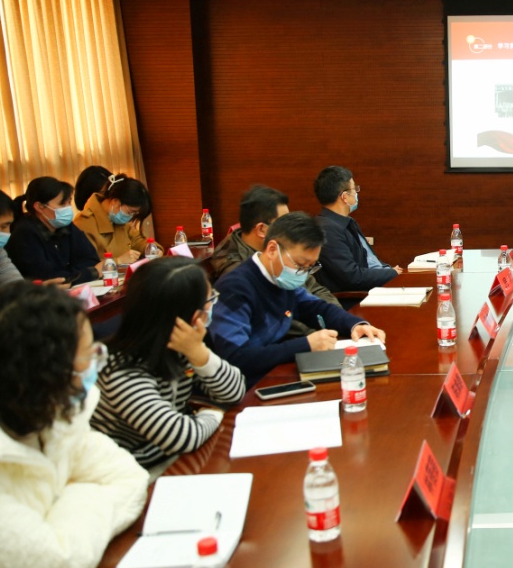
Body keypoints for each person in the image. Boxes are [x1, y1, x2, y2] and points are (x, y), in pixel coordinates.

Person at [0, 282, 148, 568]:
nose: (97, 363)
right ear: (45, 371)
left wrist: (56, 519)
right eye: (88, 356)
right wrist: (84, 493)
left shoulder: (47, 412)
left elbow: (128, 478)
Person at [91, 258, 246, 470]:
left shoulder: (181, 344)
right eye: (210, 298)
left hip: (170, 456)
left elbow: (235, 391)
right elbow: (183, 438)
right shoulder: (121, 371)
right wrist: (213, 415)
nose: (212, 305)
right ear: (191, 315)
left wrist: (200, 354)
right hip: (130, 471)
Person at [208, 212, 387, 384]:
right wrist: (306, 345)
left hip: (279, 371)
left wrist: (355, 325)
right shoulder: (235, 288)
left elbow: (316, 308)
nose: (303, 273)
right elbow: (236, 358)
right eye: (300, 265)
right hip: (249, 385)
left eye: (310, 266)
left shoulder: (279, 278)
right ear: (272, 249)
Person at [211, 184, 337, 334]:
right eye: (283, 223)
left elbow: (315, 288)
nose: (290, 228)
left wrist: (336, 318)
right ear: (262, 229)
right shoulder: (235, 269)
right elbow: (277, 316)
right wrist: (317, 332)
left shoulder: (283, 249)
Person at [312, 166, 401, 293]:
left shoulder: (348, 222)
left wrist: (388, 271)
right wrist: (392, 273)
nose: (357, 193)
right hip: (356, 298)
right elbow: (352, 277)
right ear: (345, 197)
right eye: (354, 189)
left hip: (373, 289)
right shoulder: (327, 230)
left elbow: (368, 261)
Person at [6, 177, 104, 286]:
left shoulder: (66, 226)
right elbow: (50, 278)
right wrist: (89, 273)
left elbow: (91, 260)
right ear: (39, 207)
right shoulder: (24, 234)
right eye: (62, 204)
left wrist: (72, 275)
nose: (68, 208)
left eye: (69, 202)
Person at [73, 174, 155, 262]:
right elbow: (84, 264)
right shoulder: (84, 223)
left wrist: (152, 249)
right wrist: (118, 261)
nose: (130, 216)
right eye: (130, 212)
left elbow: (138, 241)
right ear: (115, 201)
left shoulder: (121, 223)